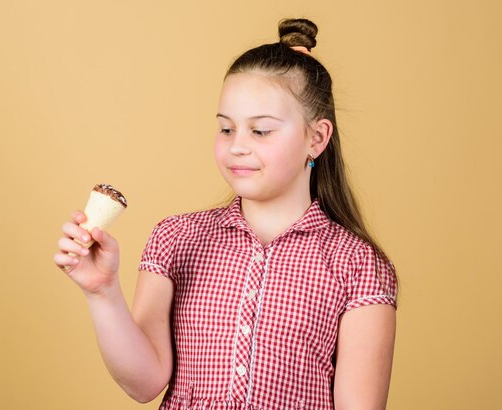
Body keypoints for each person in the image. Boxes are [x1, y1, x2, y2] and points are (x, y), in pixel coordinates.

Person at [54, 18, 399, 410]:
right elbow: (143, 384)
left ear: (316, 138)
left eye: (261, 131)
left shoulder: (358, 265)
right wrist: (102, 293)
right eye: (226, 129)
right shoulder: (176, 239)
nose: (237, 147)